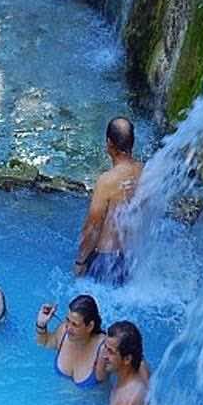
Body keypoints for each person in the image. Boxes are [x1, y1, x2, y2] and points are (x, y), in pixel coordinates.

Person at [74, 117, 142, 283]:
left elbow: (93, 226)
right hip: (133, 259)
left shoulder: (107, 181)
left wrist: (80, 261)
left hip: (106, 261)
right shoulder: (145, 171)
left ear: (109, 143)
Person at [35, 294, 107, 386]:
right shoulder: (63, 332)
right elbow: (44, 343)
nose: (68, 327)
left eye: (75, 324)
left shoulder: (104, 349)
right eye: (67, 320)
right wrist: (41, 324)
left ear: (90, 326)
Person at [98, 321, 152, 405]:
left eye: (110, 352)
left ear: (127, 359)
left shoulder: (126, 404)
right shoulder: (141, 366)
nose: (104, 356)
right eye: (105, 348)